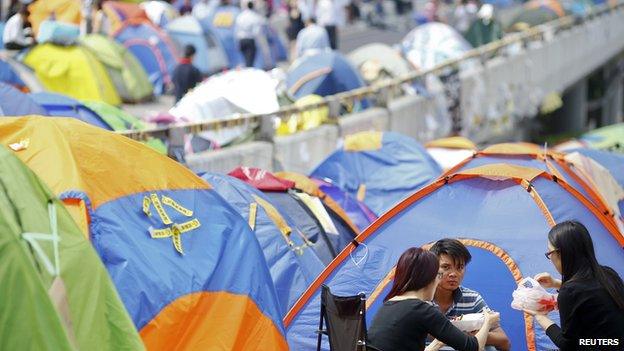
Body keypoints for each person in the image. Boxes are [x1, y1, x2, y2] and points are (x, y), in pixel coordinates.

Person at [368, 247, 500, 351]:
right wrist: (488, 320)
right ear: (429, 278)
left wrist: (438, 343)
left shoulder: (390, 303)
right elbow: (473, 347)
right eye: (439, 274)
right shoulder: (422, 309)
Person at [524, 221, 624, 350]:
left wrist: (539, 316)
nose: (551, 258)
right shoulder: (608, 274)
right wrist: (556, 283)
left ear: (561, 253)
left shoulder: (569, 292)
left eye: (550, 253)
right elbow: (590, 294)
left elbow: (569, 345)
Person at [429, 239, 511, 351]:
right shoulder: (420, 300)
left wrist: (471, 336)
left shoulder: (472, 298)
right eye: (446, 267)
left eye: (460, 267)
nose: (453, 274)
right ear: (432, 267)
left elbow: (504, 340)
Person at [234, 1, 264, 67]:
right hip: (250, 40)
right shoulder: (254, 16)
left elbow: (236, 29)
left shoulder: (240, 16)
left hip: (241, 40)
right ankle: (248, 73)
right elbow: (256, 31)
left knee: (244, 59)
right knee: (250, 61)